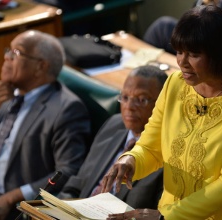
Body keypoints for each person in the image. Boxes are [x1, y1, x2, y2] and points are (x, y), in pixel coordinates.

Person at [101, 5, 222, 219]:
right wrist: (131, 160)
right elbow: (151, 147)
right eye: (179, 52)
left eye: (193, 54)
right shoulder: (175, 83)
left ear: (220, 53)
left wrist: (165, 217)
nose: (182, 63)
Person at [0, 30, 91, 220]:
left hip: (9, 207)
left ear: (40, 66)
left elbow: (68, 170)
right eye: (8, 51)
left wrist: (11, 198)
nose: (6, 57)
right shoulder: (2, 94)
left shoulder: (66, 109)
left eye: (15, 53)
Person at [58, 65, 167, 209]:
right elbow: (77, 184)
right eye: (125, 97)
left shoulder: (165, 155)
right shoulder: (114, 125)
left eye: (141, 100)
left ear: (163, 105)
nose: (129, 106)